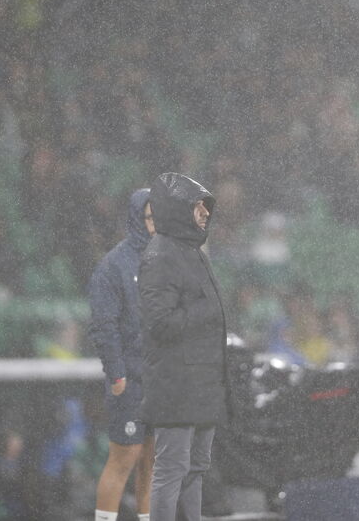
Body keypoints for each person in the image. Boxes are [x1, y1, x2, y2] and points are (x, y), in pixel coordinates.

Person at [139, 172, 229, 521]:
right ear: (177, 210)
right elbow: (160, 324)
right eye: (197, 207)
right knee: (172, 469)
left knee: (195, 469)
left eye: (206, 207)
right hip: (177, 384)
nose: (205, 213)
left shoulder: (191, 251)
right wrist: (206, 309)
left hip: (200, 385)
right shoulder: (160, 255)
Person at [88, 188, 156, 521]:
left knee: (154, 461)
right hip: (130, 378)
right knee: (124, 458)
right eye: (149, 216)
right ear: (136, 218)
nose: (156, 223)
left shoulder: (170, 259)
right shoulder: (114, 266)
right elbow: (104, 326)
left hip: (162, 378)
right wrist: (116, 373)